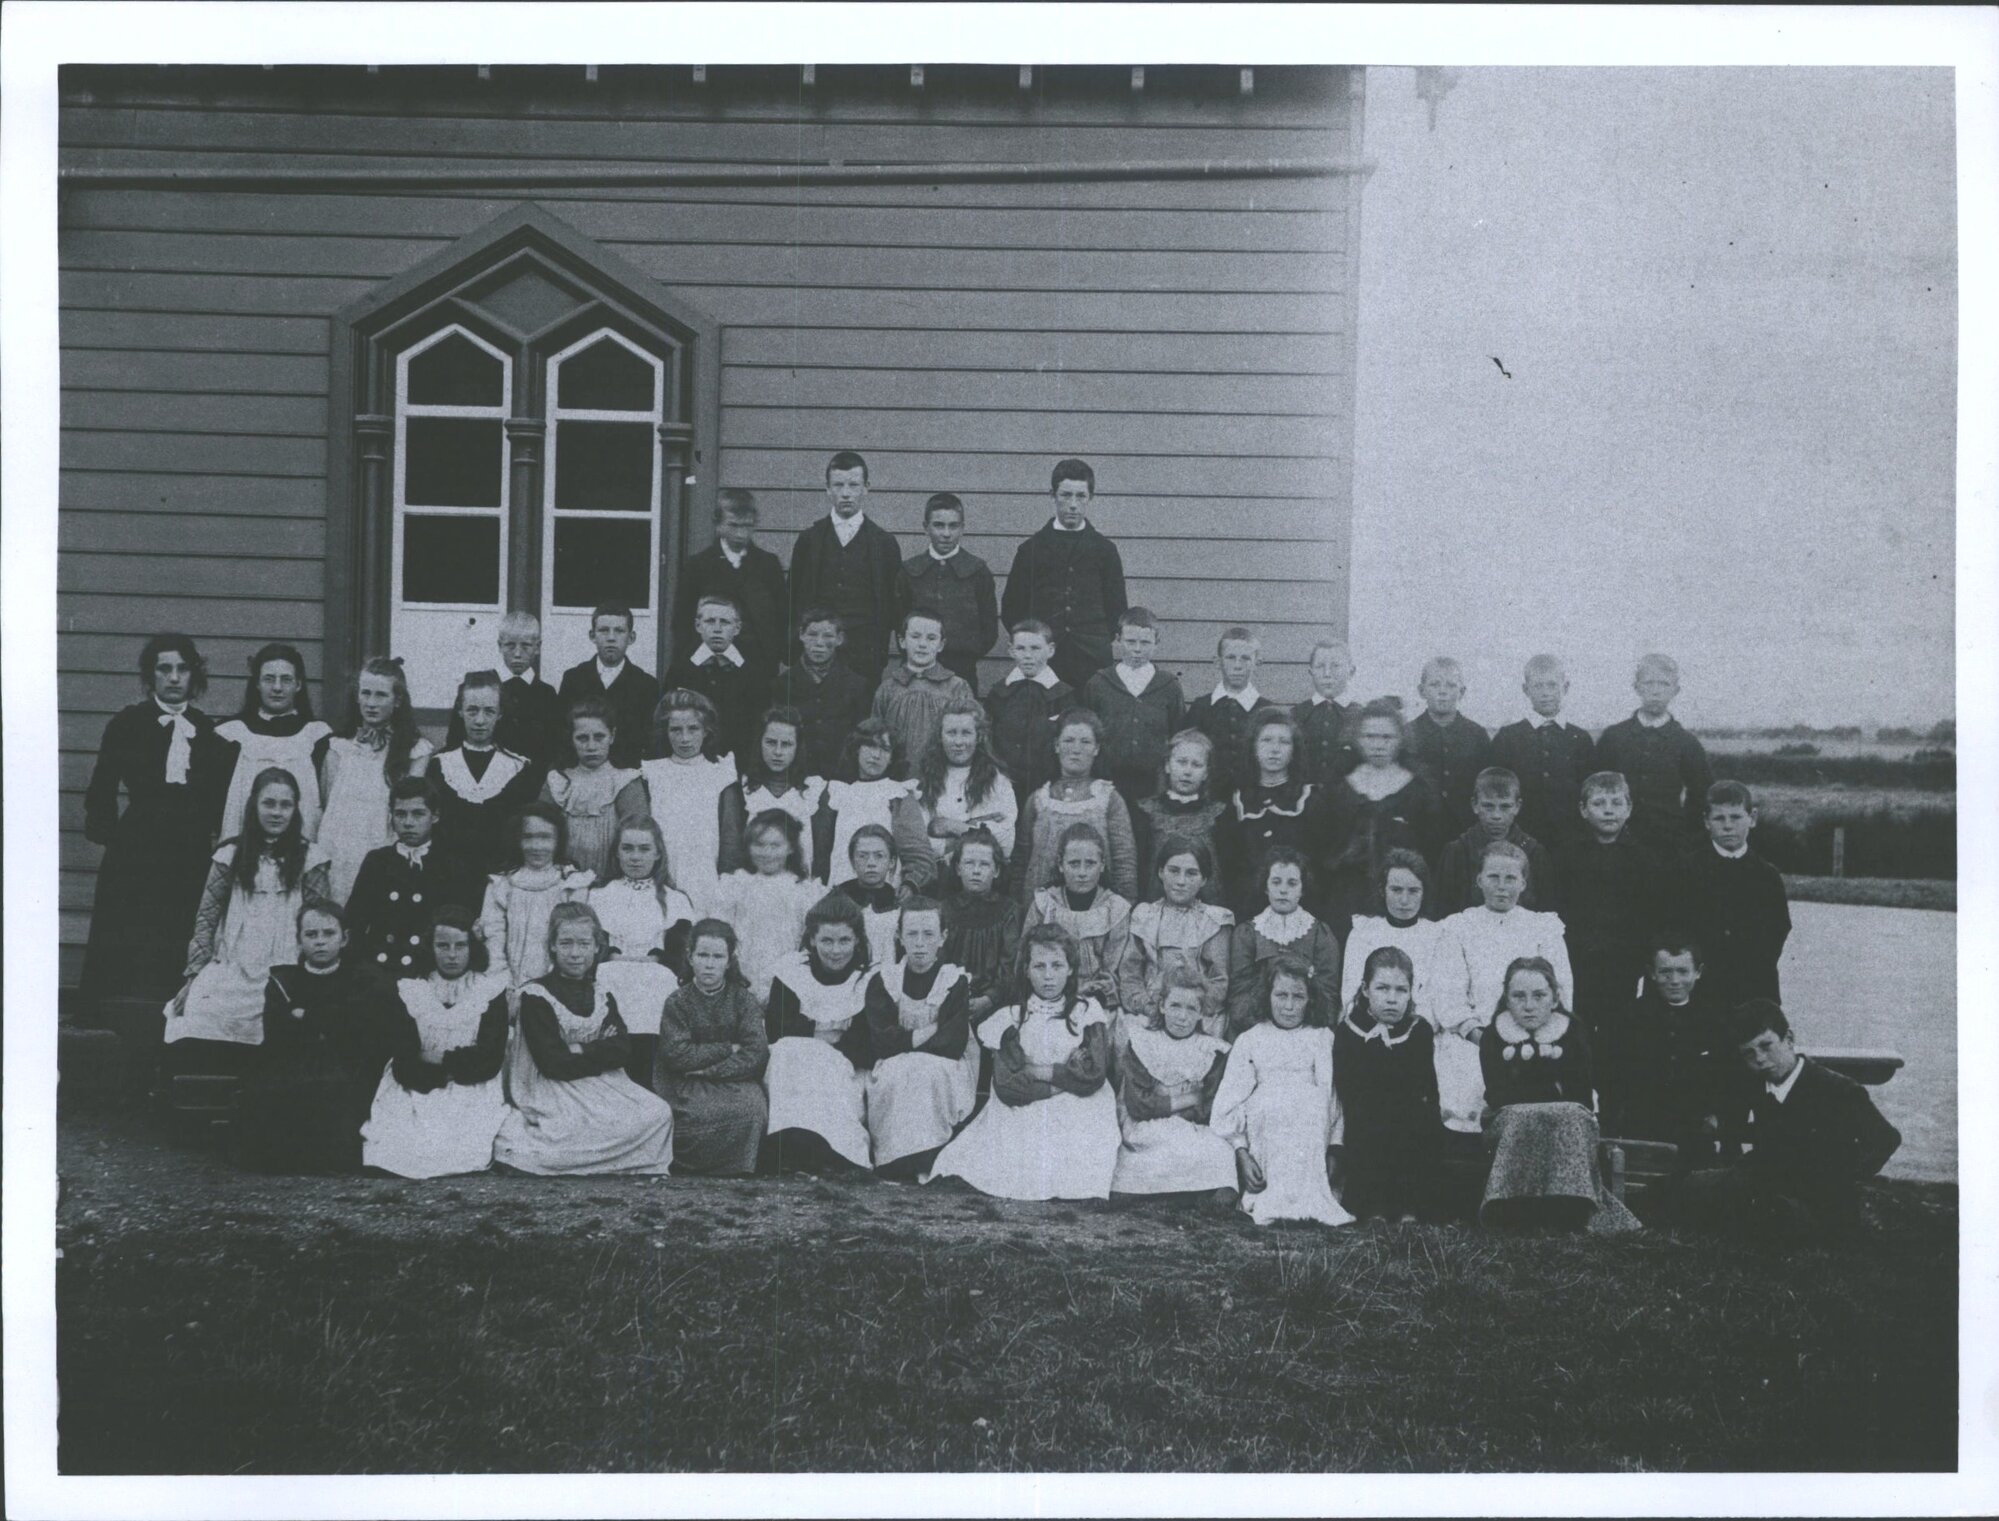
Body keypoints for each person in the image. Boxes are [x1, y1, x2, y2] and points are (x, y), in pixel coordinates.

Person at [79, 633, 232, 1011]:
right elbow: (102, 786)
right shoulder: (128, 724)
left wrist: (213, 841)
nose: (174, 677)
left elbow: (218, 798)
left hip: (188, 847)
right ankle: (117, 1013)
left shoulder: (208, 731)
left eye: (183, 669)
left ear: (194, 675)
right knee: (129, 926)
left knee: (177, 926)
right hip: (138, 845)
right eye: (165, 669)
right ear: (151, 676)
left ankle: (169, 1013)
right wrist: (113, 835)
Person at [1671, 999, 1901, 1242]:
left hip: (1815, 1200)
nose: (1759, 1059)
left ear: (1789, 1039)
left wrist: (1844, 1178)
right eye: (1749, 1053)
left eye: (1766, 1046)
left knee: (1760, 1216)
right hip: (1767, 1181)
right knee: (1687, 1187)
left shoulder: (1838, 1089)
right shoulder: (1757, 1082)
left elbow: (1886, 1139)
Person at [927, 923, 1120, 1200]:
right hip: (1024, 1102)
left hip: (1080, 1099)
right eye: (1039, 967)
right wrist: (1059, 1082)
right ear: (1027, 971)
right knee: (1017, 1143)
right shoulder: (1012, 1018)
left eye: (1057, 965)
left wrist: (1041, 1072)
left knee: (1080, 1134)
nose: (1049, 976)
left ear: (1071, 969)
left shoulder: (1086, 1012)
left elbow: (1094, 1074)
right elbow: (1007, 1085)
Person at [163, 768, 333, 1072]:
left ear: (296, 809)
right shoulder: (230, 854)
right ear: (254, 805)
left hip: (284, 968)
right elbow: (207, 917)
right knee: (200, 1005)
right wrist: (193, 976)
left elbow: (318, 923)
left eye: (286, 805)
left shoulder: (311, 858)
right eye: (269, 804)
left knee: (280, 1022)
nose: (277, 813)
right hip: (232, 964)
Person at [493, 903, 676, 1176]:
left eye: (583, 943)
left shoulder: (601, 994)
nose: (575, 953)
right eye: (566, 943)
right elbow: (553, 1063)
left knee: (658, 1113)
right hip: (552, 1087)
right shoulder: (536, 996)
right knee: (574, 1125)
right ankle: (598, 1161)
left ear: (596, 947)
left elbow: (623, 1049)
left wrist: (577, 1048)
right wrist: (598, 1052)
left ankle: (599, 1160)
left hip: (602, 1081)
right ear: (552, 946)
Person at [1477, 957, 1638, 1233]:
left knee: (1570, 1117)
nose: (1529, 1005)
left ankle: (1570, 1209)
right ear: (1506, 998)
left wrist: (1536, 1087)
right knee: (1522, 1118)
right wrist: (1549, 1084)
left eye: (1539, 996)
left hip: (1564, 1121)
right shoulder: (1494, 1036)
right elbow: (1500, 1095)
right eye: (1519, 996)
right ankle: (1512, 1208)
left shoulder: (1573, 1032)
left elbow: (1580, 1095)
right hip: (1511, 1122)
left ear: (1554, 999)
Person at [238, 900, 393, 1173]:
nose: (320, 942)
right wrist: (328, 1021)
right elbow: (278, 1033)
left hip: (347, 1066)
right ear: (299, 940)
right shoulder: (283, 981)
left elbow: (360, 1031)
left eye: (328, 934)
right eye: (311, 935)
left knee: (338, 1099)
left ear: (344, 939)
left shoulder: (364, 978)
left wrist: (305, 1015)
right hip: (294, 1063)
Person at [1433, 839, 1574, 1136]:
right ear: (1479, 880)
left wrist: (1530, 1035)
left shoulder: (1544, 928)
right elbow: (1448, 996)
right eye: (1494, 877)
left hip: (1535, 1038)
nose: (1502, 886)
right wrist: (1484, 1039)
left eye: (1511, 878)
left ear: (1523, 882)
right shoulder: (1458, 927)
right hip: (1474, 1041)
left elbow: (1560, 990)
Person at [360, 907, 511, 1179]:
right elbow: (404, 1057)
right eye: (443, 946)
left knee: (462, 1148)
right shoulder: (411, 990)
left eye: (460, 946)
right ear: (431, 948)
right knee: (403, 1145)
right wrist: (433, 1074)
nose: (452, 955)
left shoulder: (489, 991)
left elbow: (489, 1058)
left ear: (471, 947)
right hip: (418, 1085)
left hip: (472, 1086)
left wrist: (441, 1059)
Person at [1209, 954, 1353, 1228]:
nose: (1288, 1006)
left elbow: (1333, 1097)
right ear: (1267, 995)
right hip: (1266, 1121)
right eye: (1281, 995)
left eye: (1298, 997)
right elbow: (1229, 1102)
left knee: (1307, 1108)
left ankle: (1311, 1199)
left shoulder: (1322, 1038)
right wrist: (1241, 1153)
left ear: (1310, 998)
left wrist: (1335, 1148)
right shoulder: (1251, 1039)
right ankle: (1271, 1200)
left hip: (1311, 1122)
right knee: (1274, 1109)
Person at [760, 892, 876, 1176]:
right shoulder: (791, 971)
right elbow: (778, 1029)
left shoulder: (869, 978)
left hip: (845, 1071)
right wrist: (832, 1031)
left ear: (857, 940)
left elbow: (866, 1043)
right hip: (793, 1069)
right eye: (827, 940)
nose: (835, 951)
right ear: (812, 939)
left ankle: (831, 1152)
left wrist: (809, 1030)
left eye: (844, 941)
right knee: (789, 1051)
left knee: (814, 1059)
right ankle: (790, 1146)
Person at [862, 895, 978, 1180]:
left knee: (925, 1072)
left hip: (944, 1064)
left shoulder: (954, 981)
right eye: (912, 934)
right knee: (896, 1074)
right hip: (893, 1063)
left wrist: (904, 1040)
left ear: (943, 938)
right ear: (899, 937)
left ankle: (928, 1155)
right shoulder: (884, 980)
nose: (920, 943)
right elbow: (879, 1039)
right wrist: (926, 1031)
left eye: (929, 934)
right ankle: (893, 1159)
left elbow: (952, 1042)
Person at [1109, 968, 1238, 1203]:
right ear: (1162, 1006)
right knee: (1151, 1144)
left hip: (1193, 1126)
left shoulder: (1212, 1051)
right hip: (1147, 1125)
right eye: (1176, 1006)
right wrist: (1187, 1098)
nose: (1182, 1016)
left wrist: (1163, 1095)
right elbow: (1138, 1104)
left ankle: (1184, 1191)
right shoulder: (1143, 1042)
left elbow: (1210, 1106)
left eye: (1191, 1009)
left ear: (1202, 1014)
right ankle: (1175, 1192)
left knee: (1217, 1149)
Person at [653, 918, 770, 1177]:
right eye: (702, 955)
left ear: (729, 961)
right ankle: (692, 1168)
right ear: (690, 957)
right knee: (696, 1114)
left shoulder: (743, 1000)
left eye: (717, 956)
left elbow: (756, 1053)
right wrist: (727, 1048)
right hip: (684, 1081)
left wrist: (711, 1070)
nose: (709, 964)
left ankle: (738, 1169)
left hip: (732, 1078)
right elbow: (677, 1054)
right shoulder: (677, 1002)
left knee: (752, 1109)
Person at [1319, 699, 1447, 934]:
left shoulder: (1418, 790)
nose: (1378, 745)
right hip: (1348, 899)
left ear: (1400, 739)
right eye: (1370, 737)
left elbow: (1431, 849)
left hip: (1401, 897)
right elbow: (1325, 846)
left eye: (1386, 738)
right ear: (1357, 739)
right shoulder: (1340, 789)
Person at [999, 458, 1129, 690]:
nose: (1072, 504)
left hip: (1092, 660)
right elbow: (1013, 608)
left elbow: (1117, 608)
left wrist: (1093, 640)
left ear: (1091, 497)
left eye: (1080, 496)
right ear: (1052, 495)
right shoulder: (1031, 549)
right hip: (1046, 662)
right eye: (1065, 495)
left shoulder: (1104, 550)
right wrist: (1036, 645)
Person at [1333, 946, 1442, 1222]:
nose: (1392, 999)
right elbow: (1351, 1090)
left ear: (1410, 992)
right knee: (1373, 1126)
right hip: (1365, 1122)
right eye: (1382, 989)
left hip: (1409, 1121)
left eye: (1400, 990)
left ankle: (1409, 1207)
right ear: (1365, 989)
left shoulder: (1418, 1030)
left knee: (1414, 1127)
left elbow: (1425, 1087)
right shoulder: (1349, 1031)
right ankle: (1373, 1207)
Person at [1554, 770, 1663, 1044]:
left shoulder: (1644, 860)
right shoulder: (1567, 856)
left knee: (1618, 1032)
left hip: (1623, 964)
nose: (1608, 811)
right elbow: (1557, 909)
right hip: (1576, 961)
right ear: (1583, 809)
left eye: (1616, 803)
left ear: (1629, 809)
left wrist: (1642, 960)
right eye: (1599, 803)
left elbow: (1651, 916)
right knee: (1576, 1030)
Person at [315, 656, 434, 904]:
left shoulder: (415, 752)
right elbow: (328, 803)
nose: (371, 703)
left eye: (381, 695)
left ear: (398, 700)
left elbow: (409, 809)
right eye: (365, 693)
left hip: (385, 846)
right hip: (340, 847)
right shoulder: (339, 749)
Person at [1602, 936, 1736, 1156]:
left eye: (1683, 972)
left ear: (1698, 972)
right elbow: (1611, 1081)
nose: (1674, 980)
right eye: (1665, 972)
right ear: (1652, 973)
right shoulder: (1628, 1020)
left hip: (1696, 1139)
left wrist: (1715, 1121)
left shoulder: (1715, 1022)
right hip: (1640, 1136)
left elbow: (1728, 1080)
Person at [345, 777, 488, 980]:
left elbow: (460, 927)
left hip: (428, 974)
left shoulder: (453, 865)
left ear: (435, 816)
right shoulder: (378, 862)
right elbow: (355, 923)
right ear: (391, 817)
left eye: (418, 814)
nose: (408, 823)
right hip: (379, 970)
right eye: (400, 814)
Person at [588, 819, 694, 1085]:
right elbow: (592, 948)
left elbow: (680, 956)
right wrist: (614, 957)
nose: (635, 857)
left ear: (658, 852)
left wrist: (655, 959)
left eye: (645, 849)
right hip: (608, 976)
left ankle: (646, 1079)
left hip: (657, 983)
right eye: (628, 848)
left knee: (657, 982)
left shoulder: (676, 900)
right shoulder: (599, 895)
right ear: (617, 852)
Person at [1675, 780, 1792, 1013]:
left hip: (1754, 989)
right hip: (1701, 991)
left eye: (1736, 817)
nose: (1728, 826)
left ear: (1753, 818)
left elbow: (1778, 930)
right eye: (1719, 818)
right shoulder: (1685, 872)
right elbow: (1676, 929)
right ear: (1706, 822)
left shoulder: (1767, 876)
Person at [788, 450, 903, 680]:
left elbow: (893, 605)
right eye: (838, 485)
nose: (846, 494)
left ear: (866, 487)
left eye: (853, 485)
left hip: (864, 656)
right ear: (827, 489)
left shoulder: (884, 543)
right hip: (817, 652)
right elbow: (793, 597)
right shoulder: (810, 540)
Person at [1013, 708, 1138, 904]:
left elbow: (1124, 862)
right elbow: (1021, 861)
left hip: (1096, 907)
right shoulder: (1038, 799)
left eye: (1085, 742)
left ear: (1096, 749)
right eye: (1069, 740)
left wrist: (1124, 909)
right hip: (1043, 908)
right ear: (1056, 745)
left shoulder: (1109, 798)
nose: (1076, 749)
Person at [1115, 836, 1234, 1039]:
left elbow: (1218, 981)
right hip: (1149, 1012)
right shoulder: (1144, 916)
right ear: (1161, 872)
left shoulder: (1214, 920)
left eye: (1191, 874)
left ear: (1204, 879)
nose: (1181, 881)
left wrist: (1190, 1012)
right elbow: (1130, 975)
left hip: (1197, 1016)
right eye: (1173, 871)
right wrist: (1150, 1007)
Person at [1592, 653, 1713, 854]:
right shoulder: (1614, 737)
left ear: (1676, 690)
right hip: (1616, 842)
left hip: (1668, 845)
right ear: (1637, 687)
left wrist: (1688, 836)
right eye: (1649, 683)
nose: (1656, 691)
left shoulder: (1686, 743)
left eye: (1664, 684)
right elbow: (1593, 787)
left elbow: (1702, 795)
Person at [890, 701, 1018, 889]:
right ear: (940, 736)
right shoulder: (923, 782)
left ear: (978, 737)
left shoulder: (997, 782)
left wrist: (952, 826)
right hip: (936, 883)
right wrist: (977, 829)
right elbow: (921, 846)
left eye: (966, 733)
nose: (958, 742)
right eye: (951, 733)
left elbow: (1005, 844)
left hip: (984, 884)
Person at [214, 641, 332, 844]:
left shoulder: (317, 737)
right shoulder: (231, 733)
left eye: (286, 679)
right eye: (269, 679)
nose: (277, 687)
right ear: (257, 684)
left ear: (298, 684)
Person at [425, 671, 542, 875]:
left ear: (500, 714)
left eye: (489, 711)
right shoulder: (439, 765)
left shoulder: (518, 767)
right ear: (460, 711)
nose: (480, 720)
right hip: (447, 874)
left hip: (502, 875)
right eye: (472, 710)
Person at [675, 489, 788, 685]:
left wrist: (772, 657)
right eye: (733, 525)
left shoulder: (768, 565)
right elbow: (682, 623)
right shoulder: (699, 566)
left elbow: (782, 618)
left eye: (747, 526)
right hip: (709, 666)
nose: (741, 534)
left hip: (758, 668)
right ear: (718, 525)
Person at [639, 688, 737, 916]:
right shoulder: (652, 773)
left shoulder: (720, 773)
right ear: (665, 732)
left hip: (706, 878)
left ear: (706, 731)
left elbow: (730, 838)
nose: (685, 738)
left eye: (693, 729)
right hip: (663, 876)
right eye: (676, 730)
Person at [709, 809, 825, 1001]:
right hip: (741, 978)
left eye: (775, 845)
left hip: (787, 983)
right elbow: (719, 932)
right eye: (760, 845)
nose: (767, 853)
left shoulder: (804, 891)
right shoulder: (736, 885)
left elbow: (810, 943)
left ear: (790, 848)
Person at [1224, 847, 1341, 1035]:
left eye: (1292, 883)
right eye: (1276, 882)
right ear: (1266, 887)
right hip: (1256, 1028)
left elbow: (1327, 992)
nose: (1283, 890)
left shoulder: (1320, 934)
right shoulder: (1247, 933)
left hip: (1306, 1028)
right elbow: (1240, 992)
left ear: (1302, 889)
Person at [1225, 708, 1330, 919]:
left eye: (1284, 742)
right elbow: (1232, 865)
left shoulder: (1309, 798)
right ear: (1253, 747)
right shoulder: (1238, 801)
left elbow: (1321, 864)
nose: (1275, 749)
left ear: (1294, 750)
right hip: (1250, 910)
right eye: (1266, 740)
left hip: (1303, 910)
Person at [1020, 823, 1133, 1014]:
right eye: (1074, 864)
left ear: (1103, 865)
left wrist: (1093, 992)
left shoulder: (1115, 909)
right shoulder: (1044, 903)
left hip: (1099, 1002)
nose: (1082, 872)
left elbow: (1114, 972)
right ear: (1060, 865)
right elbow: (1025, 959)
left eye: (1090, 863)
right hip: (1047, 997)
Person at [479, 802, 591, 993]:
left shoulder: (571, 884)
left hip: (559, 982)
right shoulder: (502, 884)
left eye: (545, 837)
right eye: (528, 838)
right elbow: (494, 936)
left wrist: (553, 983)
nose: (536, 846)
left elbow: (574, 938)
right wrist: (503, 983)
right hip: (509, 981)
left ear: (558, 840)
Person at [893, 492, 1000, 688]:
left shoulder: (977, 571)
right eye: (939, 525)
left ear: (962, 528)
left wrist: (965, 654)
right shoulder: (909, 571)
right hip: (916, 673)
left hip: (961, 672)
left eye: (953, 526)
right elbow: (898, 621)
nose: (946, 533)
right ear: (926, 528)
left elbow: (989, 629)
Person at [1489, 654, 1595, 849]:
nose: (1546, 693)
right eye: (1538, 686)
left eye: (1552, 685)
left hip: (1570, 840)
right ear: (1525, 689)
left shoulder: (1580, 739)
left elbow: (1589, 794)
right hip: (1519, 839)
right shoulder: (1508, 737)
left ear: (1566, 687)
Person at [1080, 607, 1184, 803]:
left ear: (1156, 643)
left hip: (1154, 785)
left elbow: (1177, 735)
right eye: (1130, 642)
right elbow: (1088, 733)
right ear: (1118, 639)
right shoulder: (1099, 683)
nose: (1137, 649)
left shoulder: (1169, 686)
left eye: (1145, 642)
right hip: (1107, 781)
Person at [538, 698, 647, 880]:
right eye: (582, 738)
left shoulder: (625, 781)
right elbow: (540, 831)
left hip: (613, 878)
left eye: (599, 737)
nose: (591, 747)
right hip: (563, 877)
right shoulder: (558, 780)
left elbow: (638, 836)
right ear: (571, 739)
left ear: (612, 736)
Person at [718, 706, 831, 880]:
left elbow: (821, 859)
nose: (778, 752)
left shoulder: (816, 791)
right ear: (760, 743)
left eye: (786, 744)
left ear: (797, 747)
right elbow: (729, 857)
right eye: (771, 742)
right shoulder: (739, 791)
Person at [1338, 848, 1451, 1022]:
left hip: (1420, 1028)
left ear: (1424, 893)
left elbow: (1439, 998)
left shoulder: (1437, 936)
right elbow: (1351, 992)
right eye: (1396, 890)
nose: (1404, 900)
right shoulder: (1363, 932)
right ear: (1383, 891)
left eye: (1413, 891)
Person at [444, 611, 566, 770]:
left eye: (526, 646)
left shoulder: (547, 695)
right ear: (499, 645)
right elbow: (455, 741)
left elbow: (553, 749)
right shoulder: (476, 686)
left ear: (538, 647)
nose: (517, 654)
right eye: (510, 645)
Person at [1430, 767, 1555, 918]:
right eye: (1488, 806)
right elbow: (1442, 912)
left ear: (1517, 806)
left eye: (1505, 806)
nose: (1496, 815)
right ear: (1475, 805)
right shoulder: (1457, 851)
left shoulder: (1534, 852)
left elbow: (1545, 912)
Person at [767, 607, 871, 779]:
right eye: (813, 635)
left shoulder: (857, 685)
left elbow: (860, 739)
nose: (819, 643)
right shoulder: (782, 685)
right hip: (796, 777)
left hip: (841, 778)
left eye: (828, 636)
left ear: (840, 639)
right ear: (801, 635)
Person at [1131, 729, 1230, 907]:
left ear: (1206, 772)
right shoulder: (1145, 812)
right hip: (1155, 909)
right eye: (1181, 762)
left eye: (1196, 765)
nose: (1187, 771)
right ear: (1168, 765)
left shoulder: (1219, 814)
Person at [872, 608, 976, 775]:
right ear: (902, 641)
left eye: (931, 638)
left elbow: (968, 739)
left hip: (942, 779)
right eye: (915, 636)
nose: (922, 644)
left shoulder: (957, 687)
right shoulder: (888, 688)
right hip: (896, 779)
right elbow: (875, 739)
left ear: (941, 645)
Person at [556, 603, 660, 770]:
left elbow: (651, 741)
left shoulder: (646, 685)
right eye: (604, 630)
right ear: (592, 635)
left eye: (619, 631)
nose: (611, 638)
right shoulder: (574, 678)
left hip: (627, 774)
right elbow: (561, 733)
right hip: (580, 773)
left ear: (631, 637)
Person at [937, 828, 1023, 1028]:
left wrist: (989, 999)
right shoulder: (944, 910)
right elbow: (938, 961)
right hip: (949, 1001)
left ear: (997, 871)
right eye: (969, 863)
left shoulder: (1008, 911)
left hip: (996, 1003)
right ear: (958, 868)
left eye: (984, 864)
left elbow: (1011, 965)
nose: (976, 870)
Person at [664, 594, 764, 762]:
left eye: (725, 622)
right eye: (710, 621)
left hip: (737, 761)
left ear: (737, 628)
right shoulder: (681, 670)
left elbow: (757, 725)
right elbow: (667, 718)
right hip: (691, 761)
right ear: (698, 625)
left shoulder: (751, 672)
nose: (717, 629)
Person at [984, 619, 1073, 804]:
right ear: (1011, 650)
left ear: (1050, 650)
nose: (1027, 655)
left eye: (1035, 648)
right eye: (1021, 648)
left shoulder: (1063, 696)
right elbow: (988, 741)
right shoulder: (999, 694)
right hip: (1002, 786)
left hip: (1047, 788)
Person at [1401, 656, 1492, 838]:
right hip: (1418, 831)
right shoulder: (1407, 733)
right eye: (1435, 684)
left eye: (1451, 685)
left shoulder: (1477, 735)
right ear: (1422, 690)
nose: (1442, 691)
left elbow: (1487, 785)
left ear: (1462, 691)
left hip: (1466, 831)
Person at [1186, 626, 1278, 800]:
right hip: (1207, 802)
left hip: (1255, 801)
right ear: (1217, 661)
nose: (1237, 666)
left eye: (1245, 658)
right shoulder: (1201, 708)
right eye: (1230, 658)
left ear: (1257, 662)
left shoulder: (1268, 712)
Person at [825, 719, 913, 888]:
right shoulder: (838, 792)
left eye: (885, 749)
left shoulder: (898, 794)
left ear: (891, 758)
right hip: (842, 888)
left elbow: (916, 852)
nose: (876, 755)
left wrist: (909, 885)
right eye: (871, 746)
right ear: (857, 749)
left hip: (884, 889)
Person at [832, 823, 904, 969]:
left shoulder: (899, 905)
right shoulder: (836, 900)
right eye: (863, 856)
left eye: (879, 856)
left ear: (891, 862)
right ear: (852, 861)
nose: (871, 863)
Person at [1293, 638, 1360, 791]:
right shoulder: (1297, 714)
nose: (1327, 674)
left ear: (1351, 671)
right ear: (1311, 672)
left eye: (1335, 666)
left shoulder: (1361, 716)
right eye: (1320, 666)